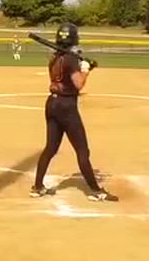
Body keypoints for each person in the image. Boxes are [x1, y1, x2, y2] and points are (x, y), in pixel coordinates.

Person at [29, 23, 117, 202]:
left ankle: (37, 187)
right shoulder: (70, 59)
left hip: (52, 103)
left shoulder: (55, 57)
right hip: (66, 106)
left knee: (50, 148)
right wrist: (86, 70)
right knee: (82, 150)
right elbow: (78, 84)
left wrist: (83, 65)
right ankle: (96, 191)